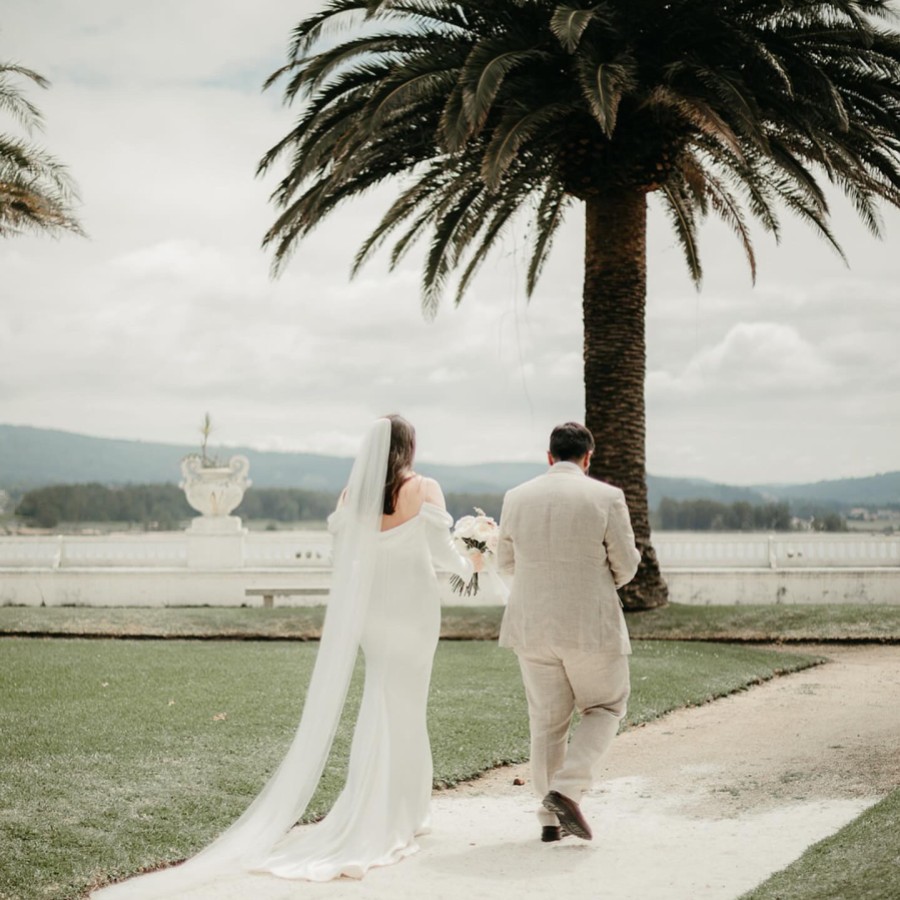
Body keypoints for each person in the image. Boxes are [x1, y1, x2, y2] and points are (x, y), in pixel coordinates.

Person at [93, 415, 480, 896]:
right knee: (406, 705)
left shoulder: (350, 498)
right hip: (415, 612)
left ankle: (395, 806)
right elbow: (444, 556)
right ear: (409, 448)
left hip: (374, 618)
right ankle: (401, 810)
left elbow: (347, 560)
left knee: (382, 699)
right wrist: (474, 556)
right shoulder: (423, 488)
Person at [496, 421, 640, 843]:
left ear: (549, 456)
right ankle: (566, 789)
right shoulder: (607, 497)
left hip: (531, 622)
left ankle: (548, 814)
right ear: (588, 457)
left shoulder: (516, 497)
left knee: (546, 721)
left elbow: (506, 563)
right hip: (590, 622)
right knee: (607, 706)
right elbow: (627, 565)